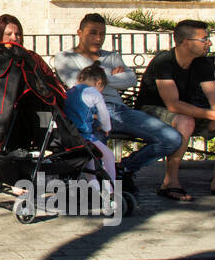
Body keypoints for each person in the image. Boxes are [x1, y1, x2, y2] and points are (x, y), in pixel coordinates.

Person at [53, 13, 182, 194]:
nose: (98, 38)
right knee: (95, 154)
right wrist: (112, 75)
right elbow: (80, 86)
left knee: (172, 138)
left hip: (118, 110)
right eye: (93, 33)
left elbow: (130, 79)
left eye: (102, 34)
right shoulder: (64, 57)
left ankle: (126, 168)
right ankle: (104, 186)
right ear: (80, 33)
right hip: (91, 114)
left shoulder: (111, 56)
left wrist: (98, 76)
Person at [134, 19, 215, 202]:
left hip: (185, 111)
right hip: (150, 113)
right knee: (185, 121)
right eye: (204, 39)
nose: (209, 43)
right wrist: (212, 114)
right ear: (186, 43)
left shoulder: (201, 63)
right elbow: (172, 104)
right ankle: (170, 182)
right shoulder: (164, 62)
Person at [63, 63, 116, 192]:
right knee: (108, 155)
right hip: (84, 134)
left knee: (88, 156)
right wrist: (106, 128)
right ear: (99, 83)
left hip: (68, 133)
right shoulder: (93, 92)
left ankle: (93, 183)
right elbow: (104, 114)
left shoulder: (71, 90)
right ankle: (112, 187)